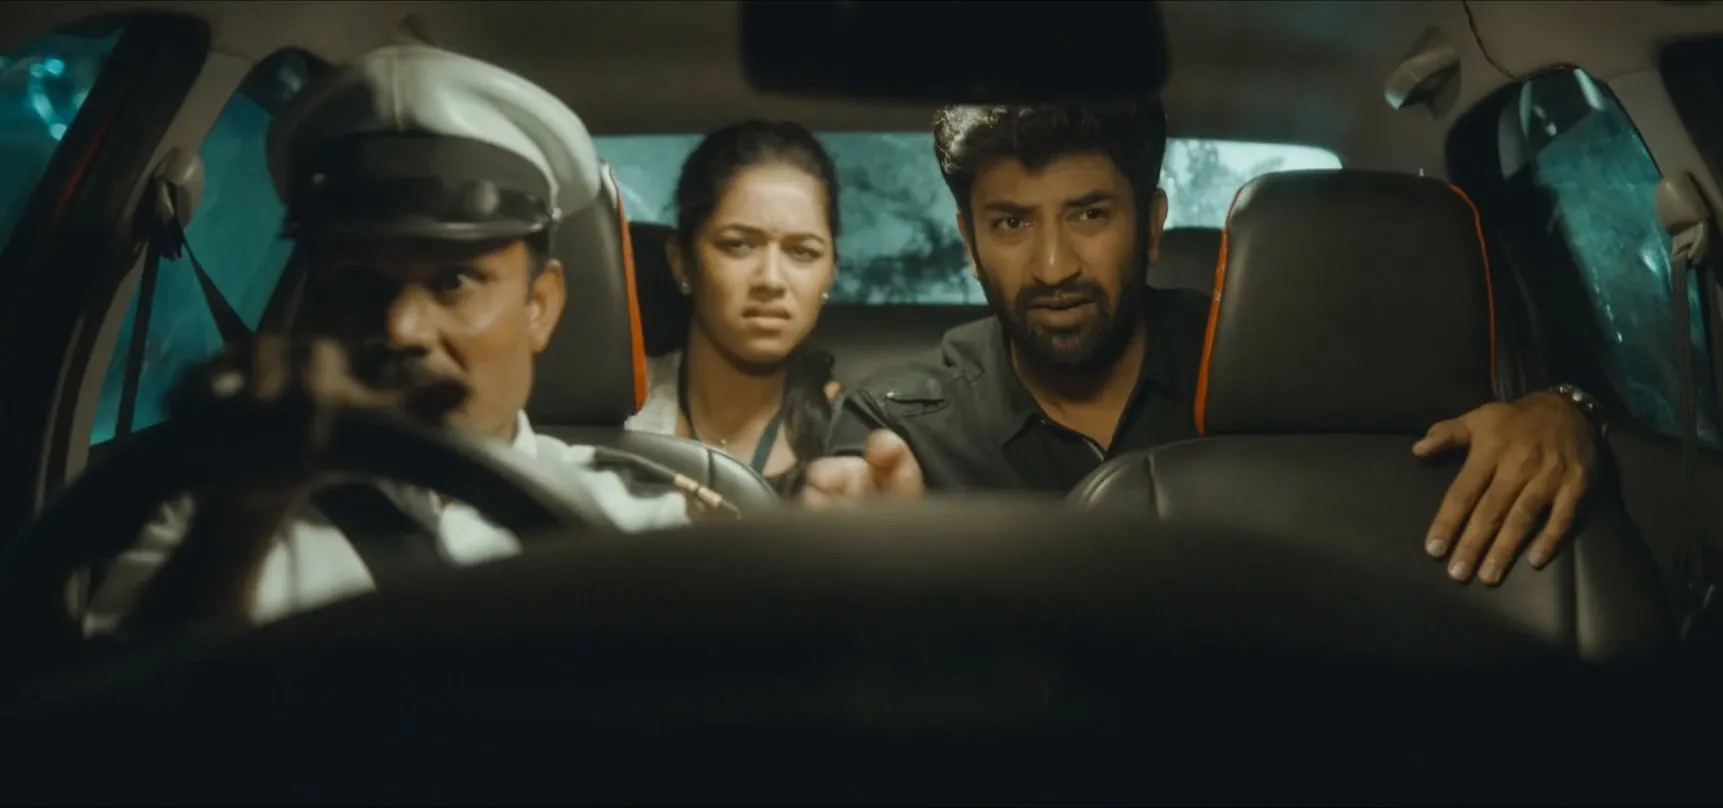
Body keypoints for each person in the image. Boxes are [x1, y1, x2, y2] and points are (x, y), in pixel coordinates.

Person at [802, 101, 1608, 587]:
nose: (1052, 266)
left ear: (1151, 226)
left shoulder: (1284, 366)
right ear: (969, 243)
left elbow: (1454, 443)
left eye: (1089, 215)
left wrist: (1560, 413)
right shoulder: (898, 430)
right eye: (1011, 223)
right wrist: (872, 571)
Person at [83, 44, 691, 635]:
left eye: (453, 281)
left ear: (540, 306)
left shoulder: (646, 524)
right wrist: (238, 525)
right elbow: (128, 699)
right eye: (358, 283)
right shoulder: (216, 519)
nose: (401, 328)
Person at [625, 121, 842, 497]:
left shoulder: (856, 434)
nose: (771, 280)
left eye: (802, 252)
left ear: (831, 273)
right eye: (738, 245)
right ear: (681, 262)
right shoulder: (620, 414)